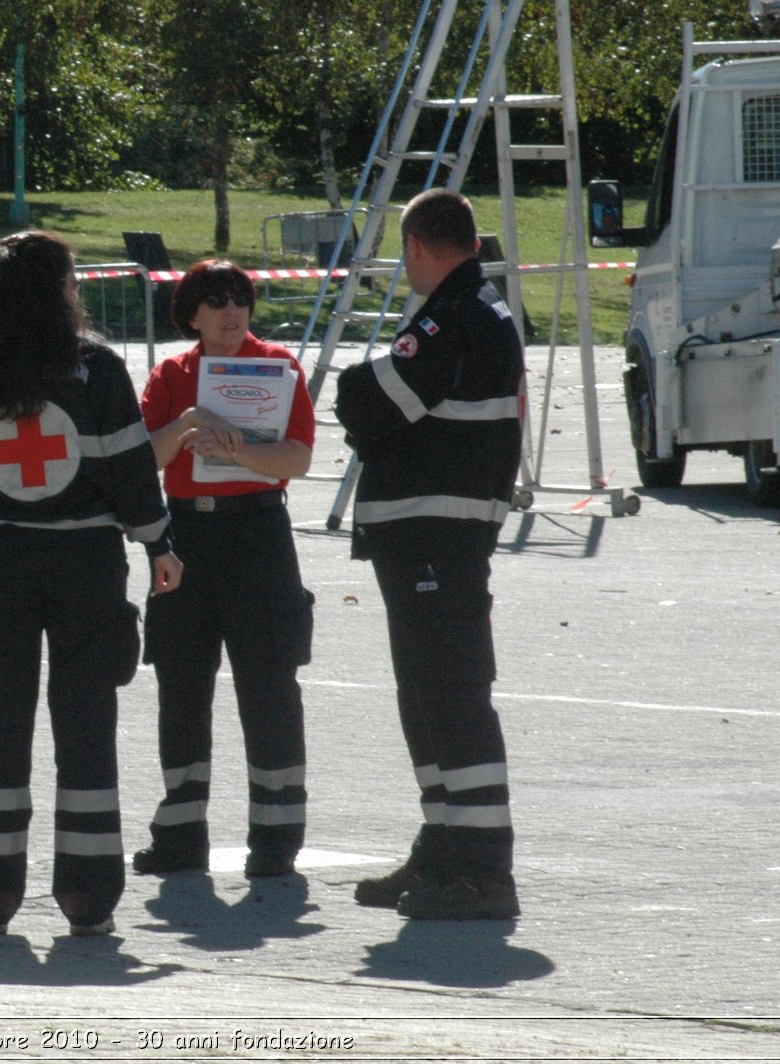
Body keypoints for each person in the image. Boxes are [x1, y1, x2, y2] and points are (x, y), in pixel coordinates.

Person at [0, 231, 182, 936]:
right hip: (89, 567)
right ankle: (88, 899)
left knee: (0, 733)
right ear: (59, 290)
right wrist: (158, 543)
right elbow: (130, 470)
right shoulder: (94, 368)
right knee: (88, 731)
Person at [333, 188, 524, 920]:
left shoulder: (452, 315)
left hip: (434, 534)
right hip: (432, 532)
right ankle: (446, 848)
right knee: (427, 696)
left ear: (416, 245)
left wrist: (356, 383)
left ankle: (480, 871)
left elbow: (372, 403)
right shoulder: (477, 308)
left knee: (450, 696)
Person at [134, 260, 316, 879]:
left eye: (240, 299)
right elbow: (142, 461)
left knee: (269, 688)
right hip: (187, 533)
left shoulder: (279, 366)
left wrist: (239, 447)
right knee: (182, 688)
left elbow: (299, 456)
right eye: (216, 302)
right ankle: (181, 835)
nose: (231, 311)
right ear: (191, 315)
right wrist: (184, 428)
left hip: (259, 532)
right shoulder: (172, 373)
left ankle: (276, 838)